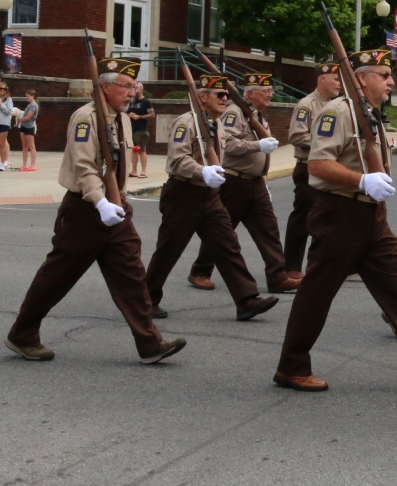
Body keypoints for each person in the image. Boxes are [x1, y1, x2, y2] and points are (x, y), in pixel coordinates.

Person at [273, 48, 397, 392]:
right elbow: (318, 164)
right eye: (384, 75)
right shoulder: (338, 112)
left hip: (371, 215)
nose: (391, 81)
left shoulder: (370, 113)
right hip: (340, 212)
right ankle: (291, 366)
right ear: (361, 78)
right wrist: (361, 180)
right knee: (317, 292)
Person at [4, 57, 185, 364]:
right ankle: (22, 334)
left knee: (131, 275)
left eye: (134, 87)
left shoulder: (123, 118)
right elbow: (85, 165)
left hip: (115, 209)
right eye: (126, 86)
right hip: (86, 210)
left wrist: (114, 203)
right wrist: (99, 201)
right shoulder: (85, 117)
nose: (132, 92)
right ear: (105, 87)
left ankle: (149, 343)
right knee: (57, 276)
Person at [142, 74, 279, 322]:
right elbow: (177, 160)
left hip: (210, 194)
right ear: (202, 97)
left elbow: (228, 150)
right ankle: (145, 301)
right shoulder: (186, 123)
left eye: (226, 94)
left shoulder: (216, 124)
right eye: (220, 94)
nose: (225, 98)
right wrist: (201, 170)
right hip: (184, 192)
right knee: (168, 249)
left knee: (228, 245)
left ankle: (246, 299)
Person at [185, 73, 299, 294]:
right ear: (250, 94)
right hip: (234, 181)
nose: (270, 94)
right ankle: (200, 270)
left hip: (255, 183)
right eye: (264, 91)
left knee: (269, 229)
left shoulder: (258, 116)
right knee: (221, 231)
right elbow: (227, 145)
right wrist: (257, 146)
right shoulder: (234, 113)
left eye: (270, 90)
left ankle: (277, 276)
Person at [283, 62, 343, 278]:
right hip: (308, 167)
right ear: (322, 78)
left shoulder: (334, 105)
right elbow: (297, 136)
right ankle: (291, 266)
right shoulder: (306, 105)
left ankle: (332, 263)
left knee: (331, 216)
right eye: (336, 79)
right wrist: (325, 143)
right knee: (303, 218)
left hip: (328, 167)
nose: (339, 84)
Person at [127, 89, 155, 179]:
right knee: (134, 150)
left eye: (137, 87)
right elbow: (124, 113)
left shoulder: (146, 102)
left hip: (141, 129)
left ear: (142, 89)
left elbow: (152, 114)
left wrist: (139, 117)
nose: (135, 89)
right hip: (131, 129)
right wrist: (129, 115)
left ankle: (143, 171)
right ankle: (134, 171)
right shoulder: (131, 102)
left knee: (141, 150)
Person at [17, 90, 40, 171]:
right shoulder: (29, 105)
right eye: (26, 96)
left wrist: (20, 119)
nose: (27, 98)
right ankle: (24, 164)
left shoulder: (34, 105)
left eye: (28, 96)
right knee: (24, 146)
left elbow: (28, 117)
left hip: (29, 126)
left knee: (31, 146)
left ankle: (32, 165)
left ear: (33, 96)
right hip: (23, 126)